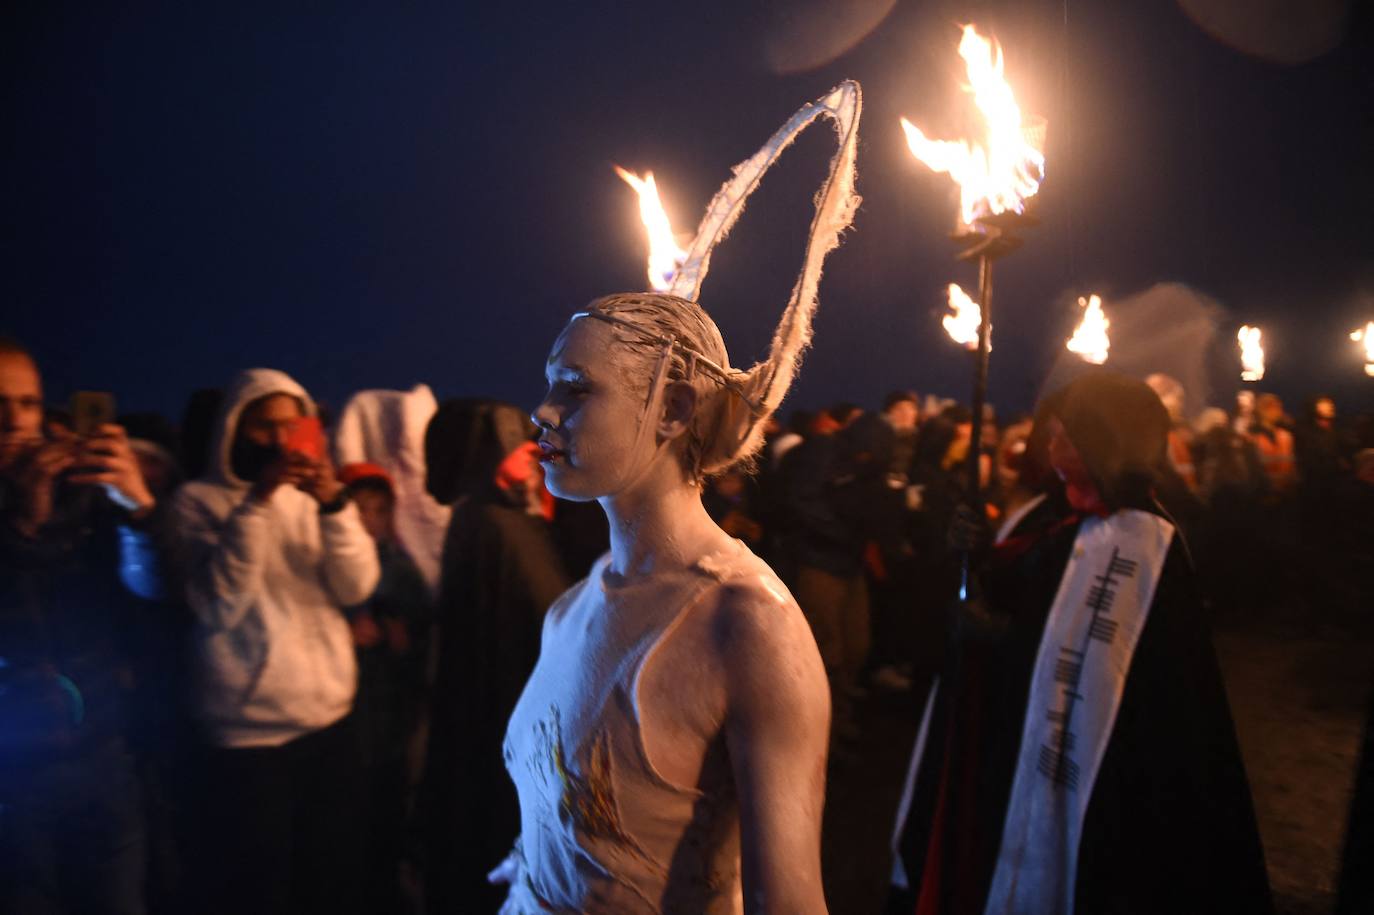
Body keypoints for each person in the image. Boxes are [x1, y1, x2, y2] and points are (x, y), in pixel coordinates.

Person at [494, 290, 834, 914]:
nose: (542, 411)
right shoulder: (573, 607)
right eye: (550, 384)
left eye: (576, 387)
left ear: (673, 408)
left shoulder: (750, 625)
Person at [889, 373, 1272, 915]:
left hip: (1114, 799)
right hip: (1029, 767)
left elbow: (1097, 676)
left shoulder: (1148, 546)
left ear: (1103, 444)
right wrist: (966, 557)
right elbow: (1010, 599)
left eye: (1065, 437)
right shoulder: (1060, 525)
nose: (1051, 449)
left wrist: (999, 638)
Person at [168, 368, 379, 915]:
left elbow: (356, 585)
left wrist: (334, 506)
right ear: (234, 429)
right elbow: (218, 606)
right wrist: (258, 502)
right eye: (265, 427)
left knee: (331, 874)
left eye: (293, 426)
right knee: (259, 887)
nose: (283, 440)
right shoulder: (197, 503)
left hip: (328, 718)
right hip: (247, 739)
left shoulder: (312, 500)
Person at [0, 337, 162, 915]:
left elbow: (150, 600)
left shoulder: (82, 497)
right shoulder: (29, 502)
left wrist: (139, 509)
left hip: (102, 759)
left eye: (28, 403)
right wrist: (22, 526)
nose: (14, 420)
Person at [420, 400, 573, 915]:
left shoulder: (496, 518)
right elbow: (543, 615)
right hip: (505, 703)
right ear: (486, 454)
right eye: (512, 444)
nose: (530, 451)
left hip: (500, 701)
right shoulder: (492, 525)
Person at [339, 462, 433, 915]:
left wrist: (403, 637)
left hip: (391, 711)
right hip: (343, 715)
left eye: (379, 510)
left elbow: (419, 632)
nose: (369, 519)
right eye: (360, 509)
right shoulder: (330, 560)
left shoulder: (401, 568)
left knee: (386, 809)